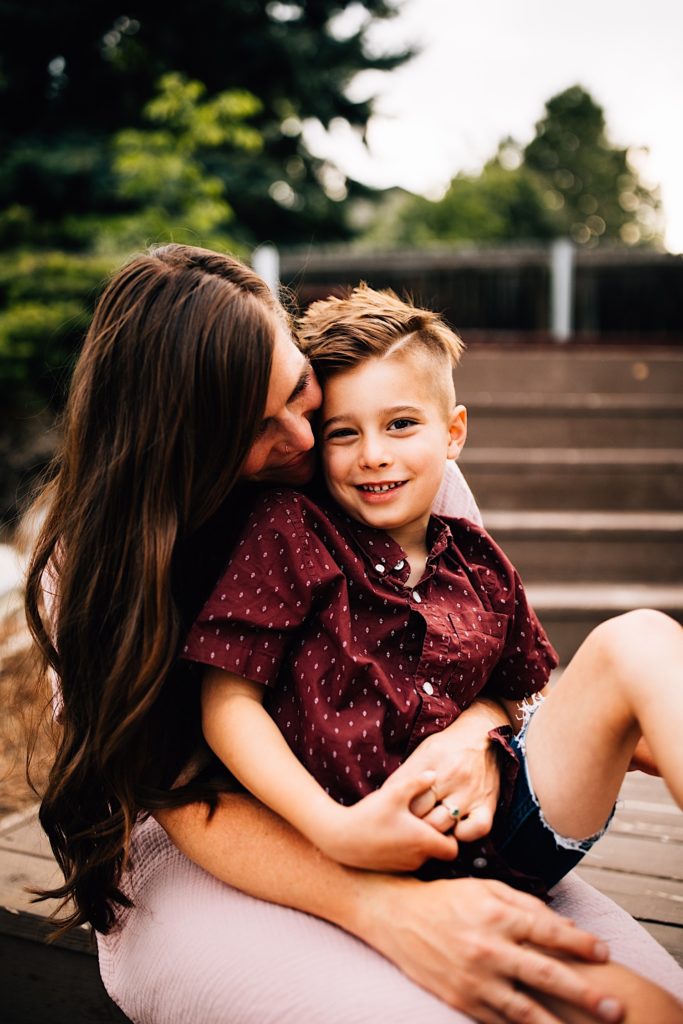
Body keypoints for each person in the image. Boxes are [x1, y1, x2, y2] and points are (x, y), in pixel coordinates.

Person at [23, 245, 683, 1024]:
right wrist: (378, 906)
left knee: (641, 999)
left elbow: (491, 672)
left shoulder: (374, 456)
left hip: (427, 813)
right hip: (212, 844)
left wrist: (476, 737)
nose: (305, 441)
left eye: (296, 389)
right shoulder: (96, 567)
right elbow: (181, 789)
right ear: (181, 448)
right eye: (253, 431)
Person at [184, 282, 683, 900]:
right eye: (343, 433)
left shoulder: (479, 562)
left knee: (641, 642)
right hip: (360, 836)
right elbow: (226, 703)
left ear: (453, 434)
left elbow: (526, 695)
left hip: (505, 823)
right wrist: (333, 828)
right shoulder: (292, 528)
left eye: (401, 424)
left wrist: (479, 731)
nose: (373, 455)